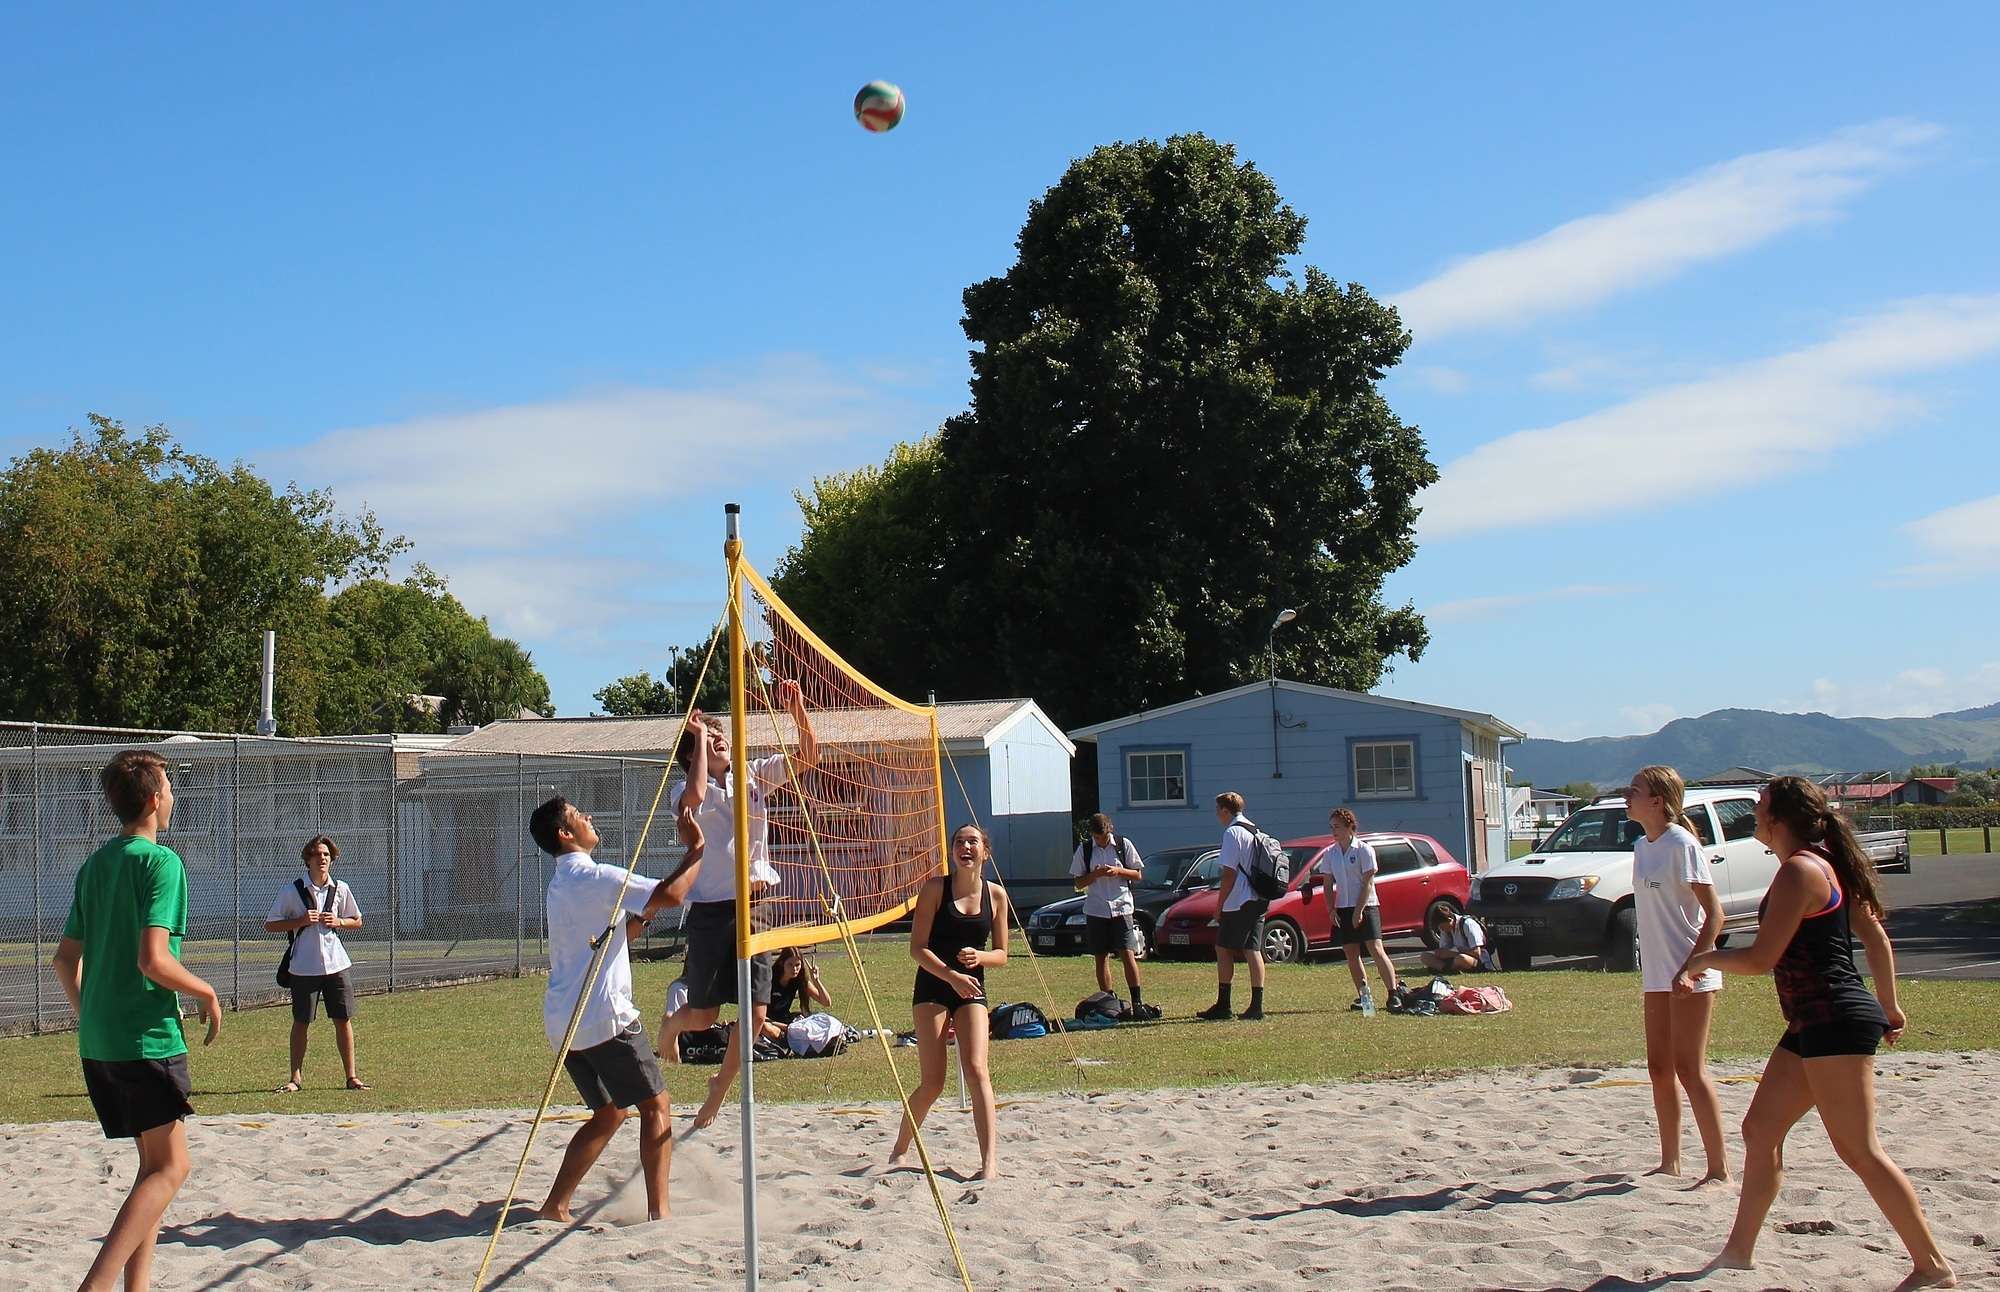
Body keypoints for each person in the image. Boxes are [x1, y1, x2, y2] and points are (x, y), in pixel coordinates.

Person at [1685, 776, 1955, 1288]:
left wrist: (1704, 958)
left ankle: (1932, 1266)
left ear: (1779, 819)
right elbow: (1875, 937)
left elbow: (1762, 958)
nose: (1756, 815)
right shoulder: (1823, 865)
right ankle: (1739, 1252)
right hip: (1813, 1021)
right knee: (1760, 1130)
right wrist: (1890, 1007)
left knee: (1858, 1149)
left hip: (1834, 1019)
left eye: (1761, 806)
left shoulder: (1801, 871)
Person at [49, 750, 221, 1292]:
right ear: (153, 799)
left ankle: (136, 1287)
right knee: (173, 1169)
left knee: (151, 1170)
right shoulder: (160, 862)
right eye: (168, 786)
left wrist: (91, 1018)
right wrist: (206, 990)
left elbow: (63, 960)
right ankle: (96, 1285)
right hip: (146, 1039)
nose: (173, 795)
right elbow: (155, 960)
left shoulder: (96, 863)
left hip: (100, 1041)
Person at [529, 791, 704, 1223]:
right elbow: (674, 893)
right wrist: (698, 849)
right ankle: (659, 1214)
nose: (589, 816)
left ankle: (555, 1205)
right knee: (656, 1105)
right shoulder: (596, 876)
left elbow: (616, 935)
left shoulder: (561, 883)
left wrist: (639, 918)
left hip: (565, 1021)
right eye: (578, 815)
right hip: (604, 1017)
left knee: (609, 1112)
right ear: (565, 833)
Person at [673, 678, 819, 1131]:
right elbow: (695, 798)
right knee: (704, 1015)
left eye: (720, 736)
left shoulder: (753, 773)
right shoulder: (684, 791)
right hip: (712, 907)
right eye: (710, 739)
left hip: (759, 900)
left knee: (756, 1014)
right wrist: (697, 741)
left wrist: (796, 712)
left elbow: (808, 757)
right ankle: (669, 1027)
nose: (720, 741)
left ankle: (721, 1085)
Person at [1625, 764, 1730, 1186]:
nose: (1627, 796)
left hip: (1691, 972)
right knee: (1658, 1068)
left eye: (1635, 790)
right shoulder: (1641, 846)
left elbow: (1715, 914)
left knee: (1690, 1069)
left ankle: (1718, 1168)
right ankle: (1670, 1161)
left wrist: (1692, 966)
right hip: (1656, 973)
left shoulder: (1681, 844)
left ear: (1658, 801)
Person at [888, 824, 1009, 1180]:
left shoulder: (997, 895)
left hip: (972, 988)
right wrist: (952, 976)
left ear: (985, 851)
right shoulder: (935, 889)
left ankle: (988, 1164)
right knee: (933, 1082)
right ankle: (899, 1148)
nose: (965, 847)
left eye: (972, 842)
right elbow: (917, 948)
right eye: (959, 842)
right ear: (952, 851)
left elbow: (1002, 953)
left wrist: (980, 958)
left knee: (977, 1069)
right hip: (934, 986)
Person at [264, 835, 367, 1093]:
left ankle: (351, 1077)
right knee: (301, 1021)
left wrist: (339, 922)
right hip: (303, 967)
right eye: (317, 855)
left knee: (343, 1019)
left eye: (326, 855)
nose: (322, 859)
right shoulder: (291, 891)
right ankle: (295, 1078)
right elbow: (271, 924)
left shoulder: (341, 888)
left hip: (336, 965)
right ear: (307, 859)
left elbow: (357, 920)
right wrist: (299, 920)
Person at [1314, 808, 1400, 1011]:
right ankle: (1364, 997)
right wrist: (1330, 909)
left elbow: (1367, 882)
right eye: (1332, 827)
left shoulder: (1364, 850)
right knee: (1351, 953)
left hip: (1366, 905)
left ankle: (1393, 994)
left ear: (1349, 826)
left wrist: (1359, 911)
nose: (1334, 831)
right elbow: (1327, 883)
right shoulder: (1330, 853)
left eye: (1338, 826)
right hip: (1342, 907)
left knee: (1376, 949)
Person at [1197, 792, 1267, 1021]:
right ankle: (1256, 1005)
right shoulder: (1255, 830)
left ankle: (1224, 1004)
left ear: (1225, 810)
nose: (1217, 814)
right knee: (1252, 949)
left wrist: (1219, 905)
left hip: (1238, 900)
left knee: (1223, 948)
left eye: (1218, 810)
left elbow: (1229, 873)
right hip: (1259, 897)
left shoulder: (1232, 833)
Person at [1069, 812, 1146, 1012]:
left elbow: (1138, 874)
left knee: (1127, 953)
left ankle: (1136, 1001)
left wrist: (1118, 871)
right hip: (1096, 909)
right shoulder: (1085, 850)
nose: (1101, 841)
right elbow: (1078, 883)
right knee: (1100, 956)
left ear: (1109, 831)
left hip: (1122, 908)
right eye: (1097, 838)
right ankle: (1108, 1000)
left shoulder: (1123, 845)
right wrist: (1095, 874)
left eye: (1103, 837)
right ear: (1092, 835)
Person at [763, 947, 832, 1041]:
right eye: (790, 965)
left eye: (797, 965)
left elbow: (826, 1002)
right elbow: (759, 1016)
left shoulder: (799, 980)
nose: (794, 969)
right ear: (781, 963)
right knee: (766, 1027)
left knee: (818, 1020)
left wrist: (816, 980)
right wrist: (787, 1027)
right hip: (768, 1022)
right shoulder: (768, 981)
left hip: (787, 1022)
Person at [1419, 906, 1490, 975]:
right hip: (1456, 958)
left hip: (1476, 960)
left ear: (1450, 919)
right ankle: (1446, 969)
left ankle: (1444, 969)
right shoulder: (1447, 929)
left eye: (1443, 927)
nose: (1442, 929)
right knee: (1424, 956)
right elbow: (1444, 948)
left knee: (1461, 958)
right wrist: (1440, 953)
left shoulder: (1468, 924)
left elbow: (1477, 953)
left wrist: (1451, 954)